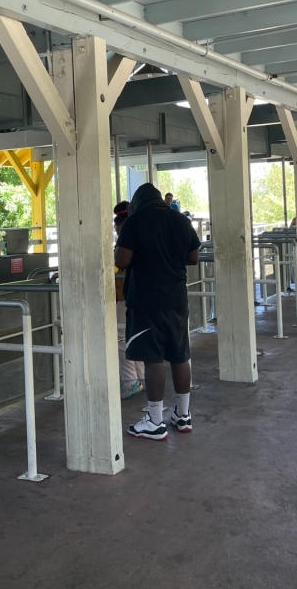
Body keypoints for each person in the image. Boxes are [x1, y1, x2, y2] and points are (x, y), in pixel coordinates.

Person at [115, 183, 200, 440]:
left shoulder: (134, 222)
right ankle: (183, 415)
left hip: (147, 301)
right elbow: (193, 257)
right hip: (177, 299)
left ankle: (154, 421)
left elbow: (121, 261)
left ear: (137, 203)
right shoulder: (181, 220)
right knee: (179, 355)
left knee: (153, 359)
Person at [113, 202, 144, 399]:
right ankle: (141, 378)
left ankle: (130, 381)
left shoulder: (126, 239)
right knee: (136, 335)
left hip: (125, 294)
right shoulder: (142, 232)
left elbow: (118, 264)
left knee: (120, 337)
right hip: (141, 293)